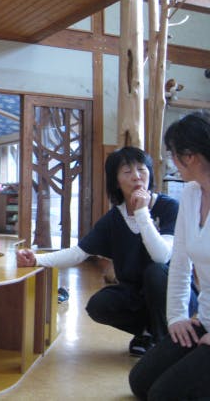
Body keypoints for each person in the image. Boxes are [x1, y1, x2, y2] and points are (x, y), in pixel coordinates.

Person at [17, 146, 197, 356]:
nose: (137, 176)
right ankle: (147, 331)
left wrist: (141, 212)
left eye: (142, 169)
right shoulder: (113, 219)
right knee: (99, 305)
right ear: (116, 182)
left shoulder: (169, 207)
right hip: (136, 296)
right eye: (127, 171)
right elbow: (78, 252)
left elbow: (161, 256)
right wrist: (36, 259)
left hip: (176, 295)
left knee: (155, 272)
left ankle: (163, 340)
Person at [129, 111, 210, 400]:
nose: (170, 161)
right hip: (205, 319)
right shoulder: (191, 194)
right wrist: (177, 317)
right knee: (141, 382)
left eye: (172, 154)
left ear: (190, 156)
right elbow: (179, 262)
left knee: (164, 395)